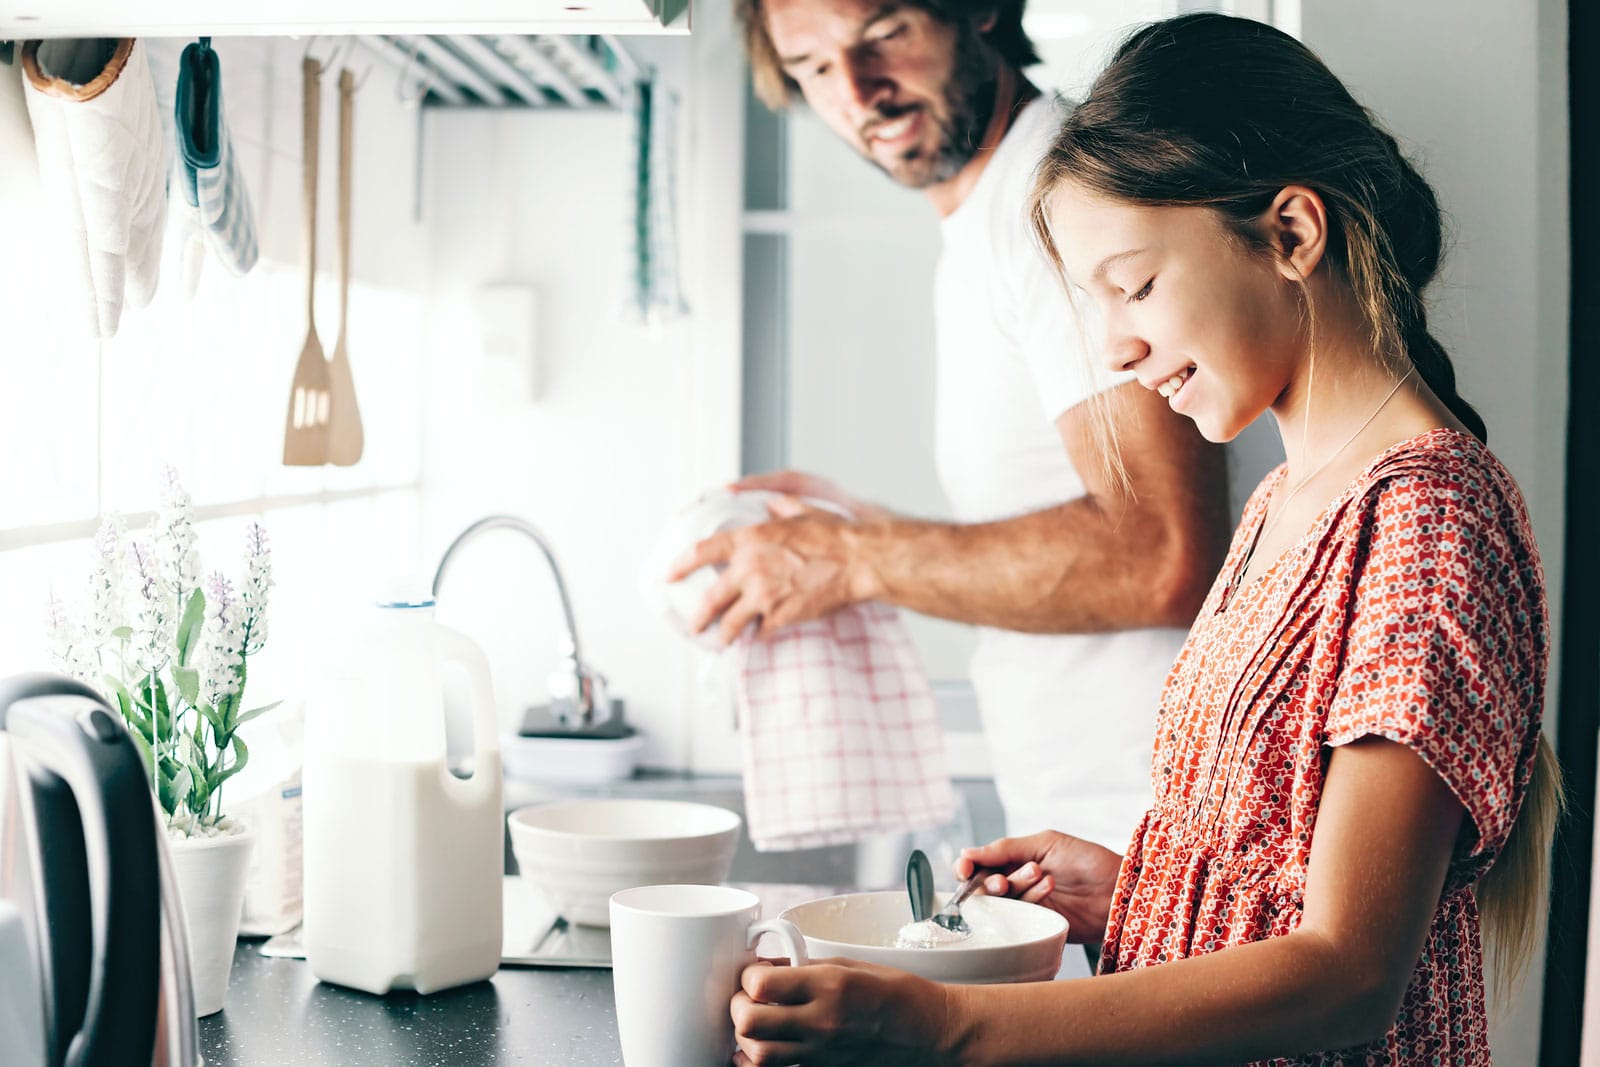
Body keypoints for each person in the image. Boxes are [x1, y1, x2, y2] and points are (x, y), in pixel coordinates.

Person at [727, 13, 1564, 1065]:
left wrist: (943, 1023)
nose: (1116, 346)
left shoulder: (1427, 521)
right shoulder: (1285, 506)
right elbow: (1286, 893)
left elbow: (1350, 969)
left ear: (1290, 235)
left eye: (1134, 286)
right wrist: (1135, 888)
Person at [670, 0, 1232, 862]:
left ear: (978, 10)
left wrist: (853, 557)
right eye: (813, 68)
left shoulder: (1057, 198)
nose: (859, 94)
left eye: (883, 34)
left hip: (1172, 838)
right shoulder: (993, 213)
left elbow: (1161, 555)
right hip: (1112, 845)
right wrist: (861, 534)